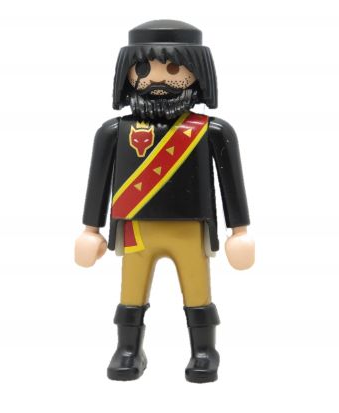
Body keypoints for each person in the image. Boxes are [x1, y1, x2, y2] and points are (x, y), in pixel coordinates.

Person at [75, 20, 254, 383]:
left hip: (191, 228)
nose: (157, 79)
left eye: (173, 69)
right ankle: (128, 349)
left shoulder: (211, 131)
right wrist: (90, 228)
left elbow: (231, 182)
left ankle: (204, 351)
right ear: (128, 74)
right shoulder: (114, 131)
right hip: (136, 228)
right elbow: (98, 181)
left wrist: (240, 230)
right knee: (131, 293)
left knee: (197, 292)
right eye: (143, 69)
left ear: (198, 72)